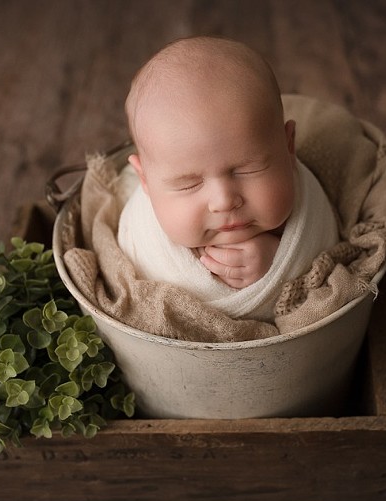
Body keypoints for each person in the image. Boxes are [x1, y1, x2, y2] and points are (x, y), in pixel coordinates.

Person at [117, 37, 340, 322]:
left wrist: (282, 264)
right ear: (145, 181)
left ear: (288, 147)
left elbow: (328, 262)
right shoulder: (141, 237)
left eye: (247, 169)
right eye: (189, 184)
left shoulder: (309, 203)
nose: (223, 201)